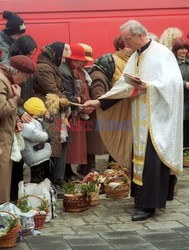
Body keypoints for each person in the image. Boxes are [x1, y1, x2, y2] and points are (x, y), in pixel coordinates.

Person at [84, 20, 183, 221]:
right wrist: (99, 101)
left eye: (128, 40)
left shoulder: (162, 54)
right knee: (141, 161)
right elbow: (124, 85)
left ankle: (149, 205)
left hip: (157, 119)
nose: (126, 44)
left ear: (139, 35)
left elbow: (175, 84)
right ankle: (143, 200)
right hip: (140, 118)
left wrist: (150, 87)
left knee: (152, 162)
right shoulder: (136, 56)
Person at [3, 34, 37, 201]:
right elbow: (2, 108)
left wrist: (16, 119)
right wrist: (17, 101)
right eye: (24, 76)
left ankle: (11, 204)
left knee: (11, 173)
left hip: (8, 134)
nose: (24, 80)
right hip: (3, 139)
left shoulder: (10, 78)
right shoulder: (3, 80)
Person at [33, 42, 70, 185]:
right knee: (50, 145)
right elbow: (52, 89)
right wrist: (66, 102)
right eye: (63, 57)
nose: (64, 61)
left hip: (54, 109)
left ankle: (55, 178)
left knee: (59, 143)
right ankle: (50, 179)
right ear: (56, 54)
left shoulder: (50, 65)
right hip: (48, 110)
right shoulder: (43, 68)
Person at [59, 43, 92, 180]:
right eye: (81, 61)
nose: (83, 63)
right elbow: (73, 92)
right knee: (69, 144)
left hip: (77, 110)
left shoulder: (75, 71)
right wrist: (81, 103)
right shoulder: (69, 71)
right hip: (72, 110)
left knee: (73, 144)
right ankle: (66, 172)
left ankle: (68, 170)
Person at [21, 97, 52, 183]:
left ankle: (44, 193)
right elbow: (33, 133)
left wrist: (47, 118)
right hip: (35, 156)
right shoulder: (27, 122)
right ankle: (36, 194)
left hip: (40, 155)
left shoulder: (35, 120)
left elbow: (42, 126)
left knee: (45, 177)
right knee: (38, 179)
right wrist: (46, 136)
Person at [172, 38, 189, 147]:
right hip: (179, 99)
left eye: (185, 48)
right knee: (181, 126)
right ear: (175, 50)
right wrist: (184, 84)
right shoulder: (172, 64)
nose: (183, 51)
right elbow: (171, 80)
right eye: (180, 49)